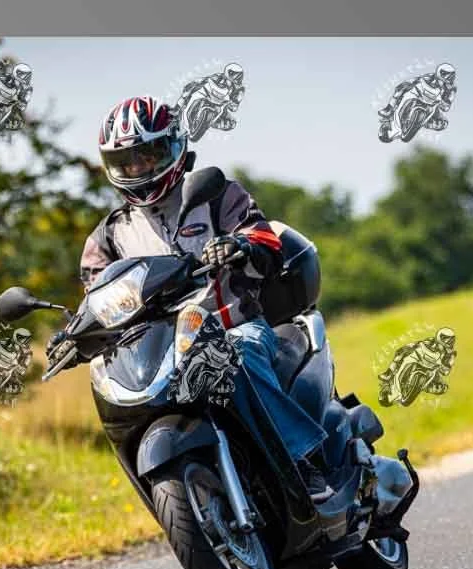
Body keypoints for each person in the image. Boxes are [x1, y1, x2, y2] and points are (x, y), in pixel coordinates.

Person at [45, 95, 332, 501]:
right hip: (161, 350)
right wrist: (73, 334)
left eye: (148, 156)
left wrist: (239, 244)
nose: (138, 169)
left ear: (175, 147)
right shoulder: (107, 238)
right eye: (126, 162)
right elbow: (97, 298)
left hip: (232, 324)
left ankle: (302, 459)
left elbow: (262, 235)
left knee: (237, 354)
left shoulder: (215, 195)